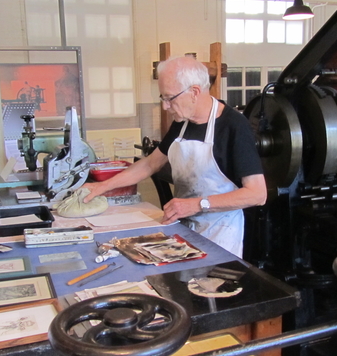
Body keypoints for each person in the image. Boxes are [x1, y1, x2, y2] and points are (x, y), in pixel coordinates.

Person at [84, 56, 267, 257]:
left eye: (170, 98)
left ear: (194, 92)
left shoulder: (234, 126)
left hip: (219, 233)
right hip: (183, 226)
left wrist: (198, 204)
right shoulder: (182, 122)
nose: (165, 106)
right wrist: (102, 186)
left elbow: (257, 194)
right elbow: (150, 164)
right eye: (163, 98)